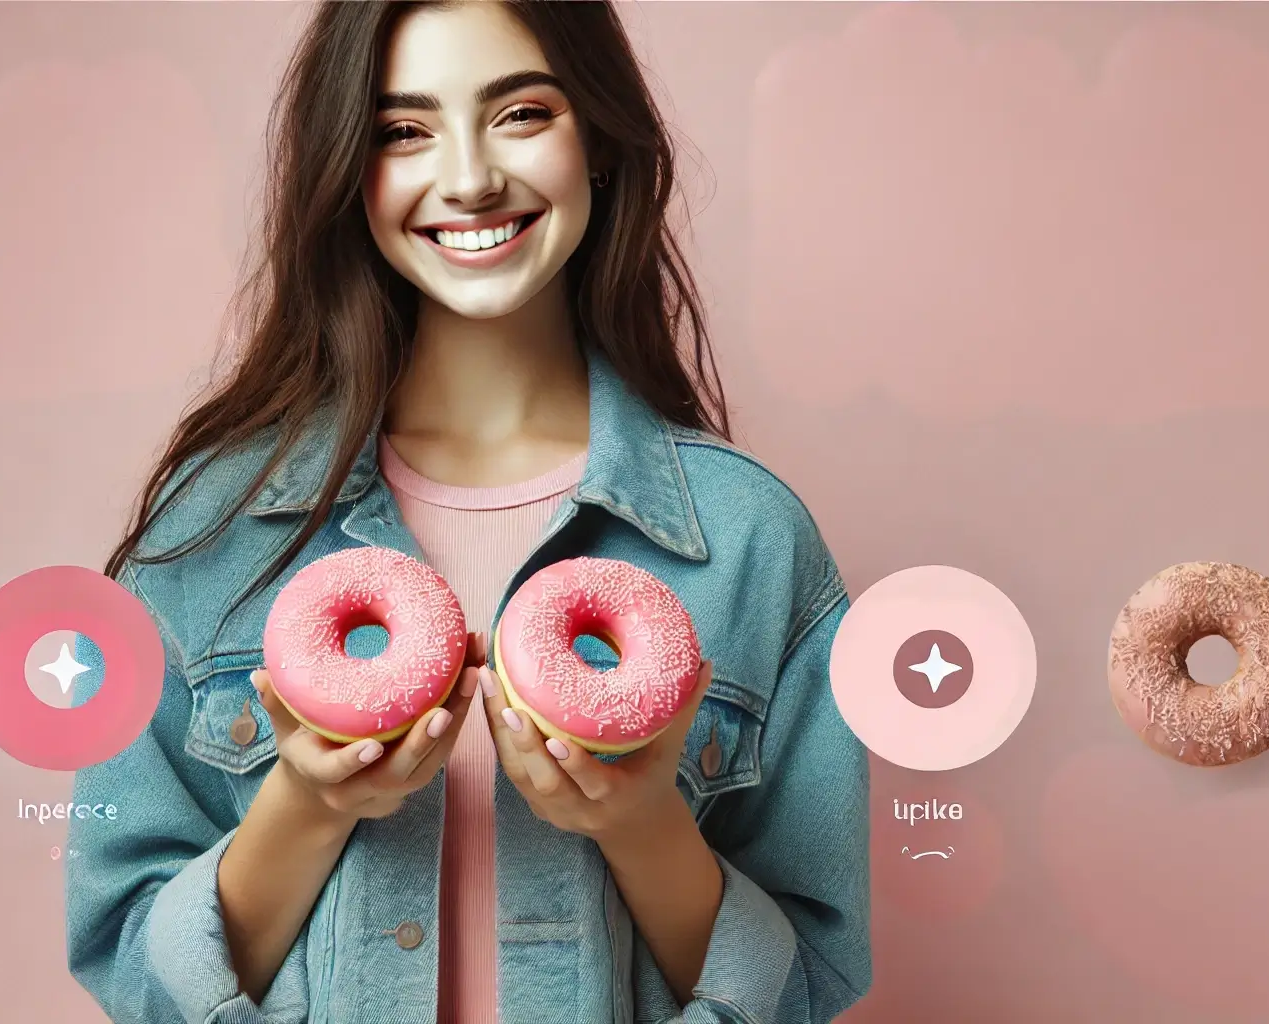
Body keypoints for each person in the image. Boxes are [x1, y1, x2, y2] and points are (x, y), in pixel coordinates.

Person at [64, 2, 871, 1021]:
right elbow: (129, 962)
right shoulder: (213, 532)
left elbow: (808, 981)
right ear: (345, 176)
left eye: (520, 114)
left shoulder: (748, 540)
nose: (468, 178)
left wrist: (639, 823)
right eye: (403, 132)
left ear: (601, 140)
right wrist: (307, 803)